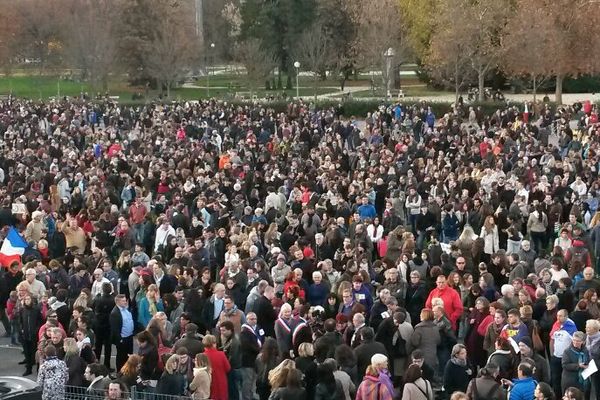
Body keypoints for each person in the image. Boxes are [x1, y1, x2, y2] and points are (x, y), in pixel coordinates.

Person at [110, 294, 135, 372]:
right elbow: (115, 329)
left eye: (125, 300)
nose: (125, 302)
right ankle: (120, 372)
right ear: (117, 302)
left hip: (129, 337)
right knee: (121, 357)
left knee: (129, 356)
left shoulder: (126, 309)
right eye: (123, 301)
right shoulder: (115, 313)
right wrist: (120, 339)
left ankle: (128, 371)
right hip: (122, 339)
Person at [202, 334, 230, 400]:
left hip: (208, 383)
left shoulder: (202, 356)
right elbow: (228, 368)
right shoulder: (221, 354)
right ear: (214, 344)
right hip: (221, 382)